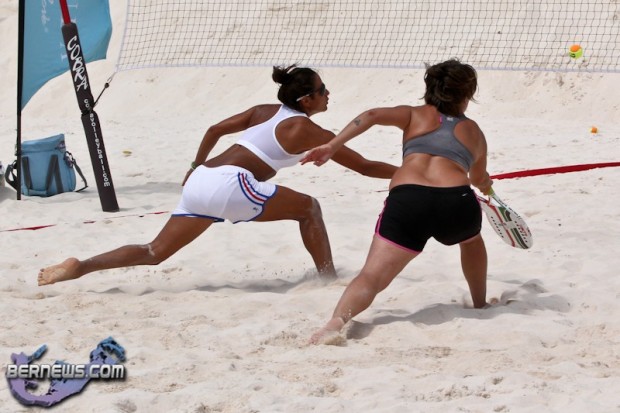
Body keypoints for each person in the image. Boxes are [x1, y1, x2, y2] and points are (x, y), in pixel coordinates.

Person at [37, 65, 397, 286]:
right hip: (230, 183)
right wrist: (411, 173)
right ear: (306, 100)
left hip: (202, 180)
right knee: (309, 208)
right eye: (322, 90)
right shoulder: (306, 130)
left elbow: (213, 129)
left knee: (155, 251)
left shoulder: (263, 110)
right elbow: (364, 166)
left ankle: (80, 267)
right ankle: (328, 279)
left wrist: (194, 167)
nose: (328, 94)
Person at [302, 59, 494, 344]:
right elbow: (478, 177)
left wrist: (332, 145)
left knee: (371, 276)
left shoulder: (413, 115)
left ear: (430, 89)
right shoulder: (475, 132)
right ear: (467, 95)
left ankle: (336, 321)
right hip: (456, 200)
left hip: (409, 198)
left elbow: (371, 115)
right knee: (471, 241)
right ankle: (480, 303)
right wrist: (487, 185)